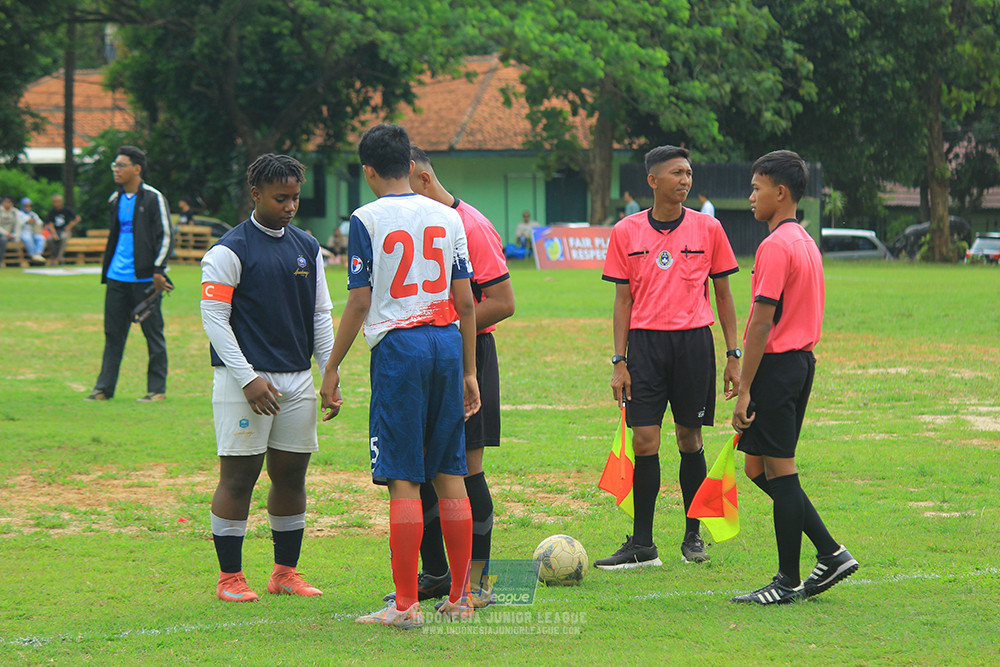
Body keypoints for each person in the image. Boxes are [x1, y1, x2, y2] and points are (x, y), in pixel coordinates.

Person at [319, 123, 480, 630]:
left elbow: (362, 300)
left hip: (401, 348)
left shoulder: (365, 218)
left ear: (367, 171)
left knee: (404, 478)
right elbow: (467, 301)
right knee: (451, 475)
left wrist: (332, 364)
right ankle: (460, 597)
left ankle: (406, 605)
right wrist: (471, 371)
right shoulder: (446, 215)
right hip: (448, 344)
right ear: (411, 166)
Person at [377, 144, 515, 607]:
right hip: (430, 356)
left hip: (464, 355)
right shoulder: (422, 222)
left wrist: (439, 323)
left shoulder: (469, 224)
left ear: (417, 176)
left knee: (463, 470)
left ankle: (477, 584)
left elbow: (502, 300)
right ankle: (438, 574)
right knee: (424, 468)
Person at [597, 145, 742, 569]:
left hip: (693, 343)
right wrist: (618, 361)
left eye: (689, 173)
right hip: (644, 347)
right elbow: (622, 301)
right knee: (644, 441)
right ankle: (642, 545)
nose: (685, 180)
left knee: (689, 439)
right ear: (652, 181)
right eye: (677, 173)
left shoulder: (709, 229)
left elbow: (725, 294)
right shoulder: (625, 231)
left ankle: (692, 536)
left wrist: (733, 354)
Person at [201, 153, 334, 603]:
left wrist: (328, 370)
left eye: (295, 198)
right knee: (239, 477)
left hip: (297, 381)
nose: (290, 206)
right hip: (244, 382)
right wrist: (247, 378)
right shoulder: (228, 250)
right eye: (281, 198)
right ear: (255, 194)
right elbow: (214, 319)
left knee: (291, 476)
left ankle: (285, 573)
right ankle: (229, 579)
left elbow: (319, 315)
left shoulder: (308, 247)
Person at [730, 150, 858, 605]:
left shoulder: (775, 245)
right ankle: (830, 551)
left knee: (780, 469)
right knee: (757, 467)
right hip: (799, 364)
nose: (751, 196)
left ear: (779, 193)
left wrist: (745, 389)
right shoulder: (804, 240)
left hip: (779, 367)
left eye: (756, 188)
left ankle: (786, 581)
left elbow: (760, 323)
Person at [85, 146, 173, 402]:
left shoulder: (153, 198)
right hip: (116, 278)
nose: (116, 169)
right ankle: (104, 389)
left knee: (153, 334)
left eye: (121, 165)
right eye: (114, 165)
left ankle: (156, 390)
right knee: (113, 334)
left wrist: (158, 270)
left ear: (137, 168)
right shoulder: (115, 199)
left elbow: (166, 236)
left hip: (146, 280)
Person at [45, 194, 81, 266]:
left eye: (57, 201)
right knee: (50, 239)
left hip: (64, 231)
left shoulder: (67, 210)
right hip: (56, 231)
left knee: (63, 238)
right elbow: (50, 224)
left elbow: (78, 218)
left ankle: (58, 258)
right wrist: (54, 234)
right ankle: (58, 257)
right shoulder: (52, 212)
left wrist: (69, 226)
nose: (56, 203)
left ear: (61, 202)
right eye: (54, 202)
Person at [19, 198, 47, 264]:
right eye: (26, 205)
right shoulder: (19, 213)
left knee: (41, 238)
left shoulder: (33, 214)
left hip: (33, 231)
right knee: (27, 239)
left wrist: (33, 221)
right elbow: (24, 222)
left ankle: (38, 254)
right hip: (23, 231)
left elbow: (39, 222)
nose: (28, 207)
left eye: (29, 206)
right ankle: (33, 255)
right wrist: (30, 221)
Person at [0, 195, 24, 264]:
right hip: (3, 233)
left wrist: (17, 236)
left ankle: (19, 261)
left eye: (10, 202)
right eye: (7, 202)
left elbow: (17, 225)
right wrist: (7, 234)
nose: (9, 203)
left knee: (22, 239)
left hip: (10, 234)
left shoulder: (14, 212)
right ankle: (1, 260)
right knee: (3, 239)